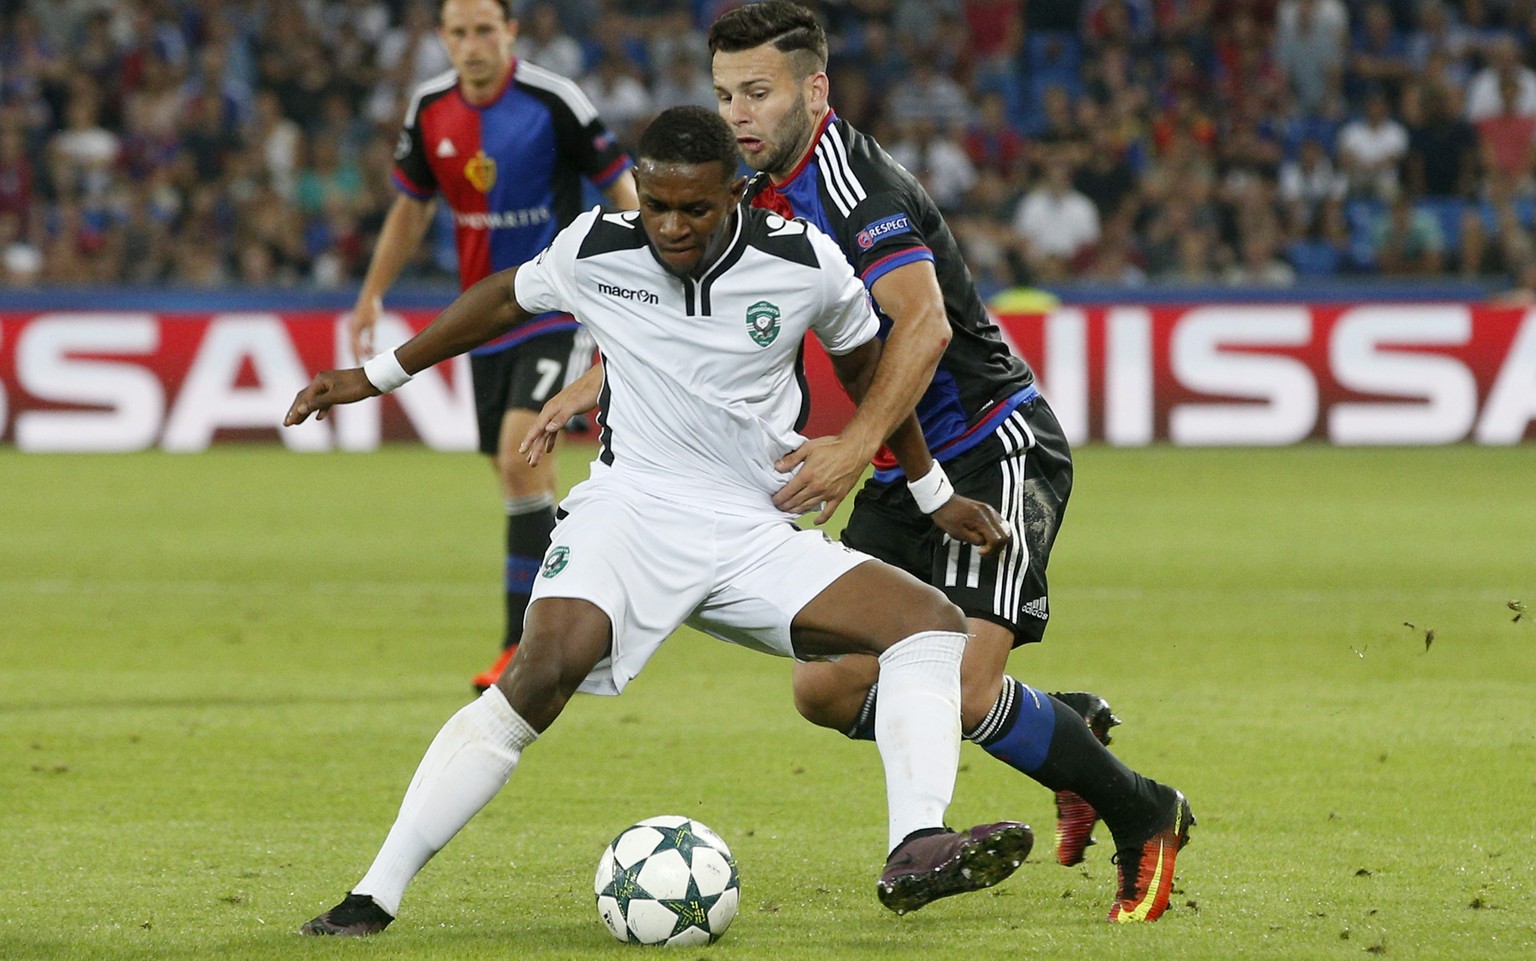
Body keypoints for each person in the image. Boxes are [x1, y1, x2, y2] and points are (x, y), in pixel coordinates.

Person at [286, 106, 1033, 937]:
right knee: (543, 667)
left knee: (928, 624)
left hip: (754, 526)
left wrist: (932, 492)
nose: (672, 227)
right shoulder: (593, 246)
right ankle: (374, 893)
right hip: (629, 511)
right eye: (657, 206)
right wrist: (376, 374)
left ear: (740, 195)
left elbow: (868, 373)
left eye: (696, 209)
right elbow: (504, 297)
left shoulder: (803, 263)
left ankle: (917, 844)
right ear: (639, 190)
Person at [523, 1, 1192, 923]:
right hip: (897, 464)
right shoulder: (745, 188)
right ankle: (1048, 727)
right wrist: (598, 374)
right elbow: (691, 311)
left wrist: (849, 444)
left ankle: (1142, 809)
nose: (737, 115)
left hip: (985, 449)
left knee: (957, 686)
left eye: (757, 93)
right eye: (724, 95)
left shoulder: (854, 186)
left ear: (815, 88)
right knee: (828, 687)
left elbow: (924, 324)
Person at [346, 0, 640, 693]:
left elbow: (618, 187)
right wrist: (371, 293)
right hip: (484, 318)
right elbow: (412, 206)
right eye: (459, 32)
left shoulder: (553, 100)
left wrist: (637, 276)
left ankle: (523, 646)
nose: (472, 44)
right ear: (442, 39)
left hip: (557, 305)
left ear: (510, 33)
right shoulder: (429, 110)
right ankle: (591, 619)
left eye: (485, 30)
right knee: (525, 484)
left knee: (518, 460)